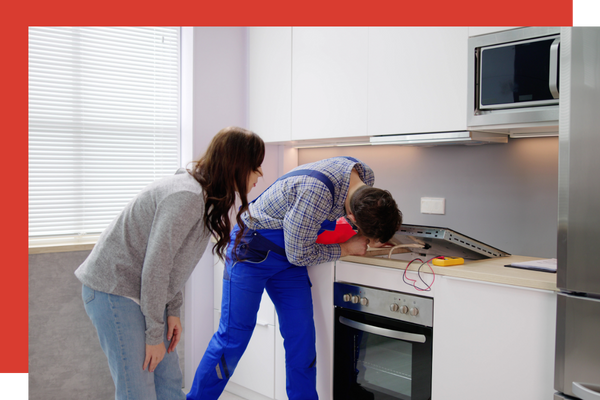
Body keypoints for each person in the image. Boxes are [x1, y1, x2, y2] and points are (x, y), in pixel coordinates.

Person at [187, 156, 402, 400]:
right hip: (252, 249)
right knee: (232, 340)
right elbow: (300, 253)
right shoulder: (317, 193)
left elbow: (303, 239)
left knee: (302, 342)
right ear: (352, 214)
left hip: (289, 253)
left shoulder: (365, 177)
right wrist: (346, 248)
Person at [74, 126, 265, 400]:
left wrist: (172, 310)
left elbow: (173, 265)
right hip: (114, 289)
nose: (260, 174)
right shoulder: (187, 197)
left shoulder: (203, 195)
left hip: (140, 291)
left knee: (169, 383)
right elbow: (156, 266)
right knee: (136, 390)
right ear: (237, 164)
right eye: (255, 166)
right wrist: (155, 333)